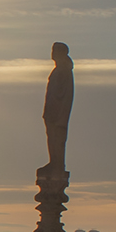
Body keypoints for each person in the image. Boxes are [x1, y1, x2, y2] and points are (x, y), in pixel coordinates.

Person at [41, 42, 73, 179]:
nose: (52, 53)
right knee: (52, 137)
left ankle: (57, 164)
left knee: (57, 138)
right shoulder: (59, 70)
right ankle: (54, 162)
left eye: (54, 50)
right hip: (52, 111)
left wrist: (54, 111)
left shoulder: (63, 70)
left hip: (58, 113)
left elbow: (61, 94)